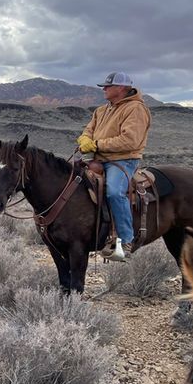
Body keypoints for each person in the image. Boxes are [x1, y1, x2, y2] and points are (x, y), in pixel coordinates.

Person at [77, 72, 151, 260]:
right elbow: (88, 130)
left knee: (114, 192)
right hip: (98, 159)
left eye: (108, 86)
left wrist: (97, 145)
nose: (104, 89)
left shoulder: (135, 109)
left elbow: (130, 141)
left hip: (123, 160)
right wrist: (85, 139)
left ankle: (126, 240)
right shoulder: (102, 110)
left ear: (121, 88)